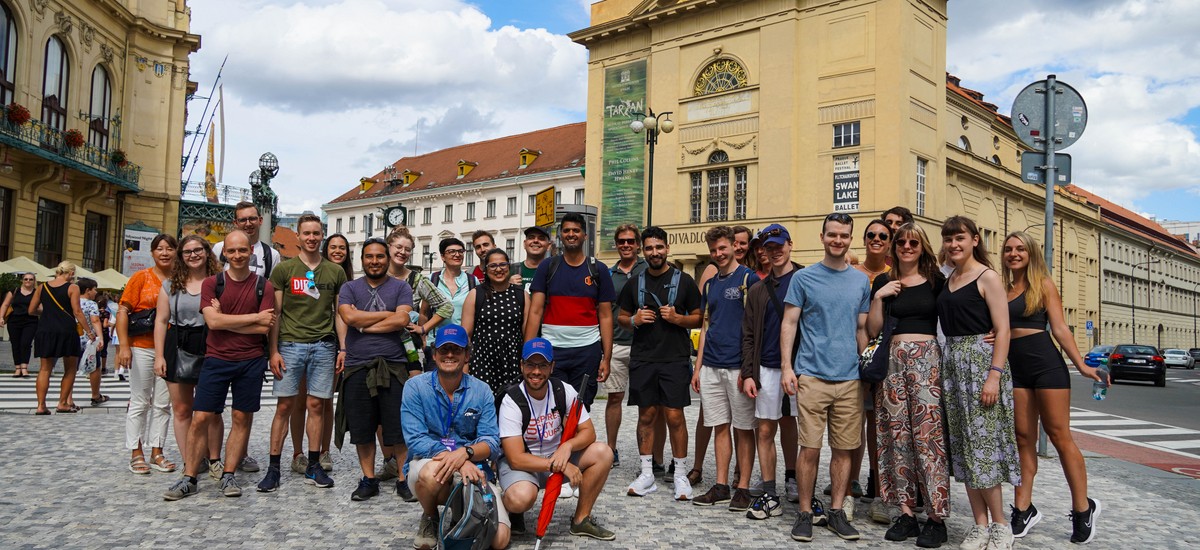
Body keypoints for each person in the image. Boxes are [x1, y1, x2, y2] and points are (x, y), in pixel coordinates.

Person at [1001, 231, 1102, 544]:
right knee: (1022, 438)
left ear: (1031, 253)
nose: (1014, 254)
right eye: (1008, 249)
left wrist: (1082, 365)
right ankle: (1023, 508)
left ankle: (1083, 508)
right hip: (1014, 369)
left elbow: (1059, 328)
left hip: (1047, 366)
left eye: (1020, 249)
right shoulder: (1000, 288)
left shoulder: (1042, 284)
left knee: (1059, 436)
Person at [163, 230, 277, 500]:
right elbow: (213, 323)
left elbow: (266, 326)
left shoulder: (264, 285)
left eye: (242, 250)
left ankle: (228, 474)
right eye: (232, 251)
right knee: (201, 417)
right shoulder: (212, 283)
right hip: (216, 358)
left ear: (251, 251)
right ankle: (189, 476)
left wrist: (228, 318)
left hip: (250, 360)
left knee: (241, 417)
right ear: (224, 253)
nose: (237, 255)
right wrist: (251, 319)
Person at [779, 212, 870, 543]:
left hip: (849, 378)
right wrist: (788, 368)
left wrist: (867, 365)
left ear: (850, 239)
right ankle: (804, 512)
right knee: (810, 448)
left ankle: (836, 512)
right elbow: (789, 323)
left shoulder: (860, 281)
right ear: (822, 237)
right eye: (832, 234)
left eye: (844, 236)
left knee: (844, 450)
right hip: (812, 375)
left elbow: (861, 328)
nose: (838, 240)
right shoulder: (804, 279)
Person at [936, 216, 1018, 550]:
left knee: (984, 447)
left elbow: (1003, 329)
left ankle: (1000, 525)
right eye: (948, 239)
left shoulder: (988, 277)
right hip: (953, 364)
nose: (954, 244)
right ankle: (979, 524)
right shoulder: (950, 278)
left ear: (974, 239)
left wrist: (994, 376)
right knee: (965, 448)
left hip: (981, 365)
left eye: (959, 238)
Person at [867, 223, 950, 547]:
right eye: (900, 241)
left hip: (927, 360)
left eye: (913, 241)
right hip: (892, 361)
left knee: (929, 439)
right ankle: (904, 512)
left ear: (922, 245)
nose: (906, 246)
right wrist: (878, 297)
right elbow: (874, 330)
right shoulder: (885, 281)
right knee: (895, 436)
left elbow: (954, 315)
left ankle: (936, 516)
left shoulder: (936, 281)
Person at [259, 214, 346, 493]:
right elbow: (276, 313)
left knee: (316, 406)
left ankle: (313, 464)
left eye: (316, 233)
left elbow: (339, 314)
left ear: (322, 235)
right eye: (306, 233)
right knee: (284, 406)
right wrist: (273, 351)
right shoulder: (284, 271)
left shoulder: (335, 272)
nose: (311, 238)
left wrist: (342, 347)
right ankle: (274, 468)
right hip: (291, 344)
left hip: (323, 345)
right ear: (298, 236)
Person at [401, 324, 509, 550]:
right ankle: (430, 517)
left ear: (467, 355)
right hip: (431, 466)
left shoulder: (482, 390)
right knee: (431, 474)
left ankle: (461, 515)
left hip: (474, 471)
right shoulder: (415, 387)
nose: (449, 355)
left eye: (456, 350)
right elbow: (416, 439)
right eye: (444, 349)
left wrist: (466, 453)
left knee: (499, 542)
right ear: (434, 354)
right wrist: (459, 463)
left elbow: (491, 440)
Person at [498, 337, 616, 541]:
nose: (536, 372)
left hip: (558, 456)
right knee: (520, 499)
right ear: (521, 365)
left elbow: (589, 432)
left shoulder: (563, 389)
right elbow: (516, 458)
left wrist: (568, 446)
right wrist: (558, 466)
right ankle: (511, 509)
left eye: (542, 365)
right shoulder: (512, 400)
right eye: (530, 365)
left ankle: (581, 519)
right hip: (526, 464)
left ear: (552, 367)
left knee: (603, 452)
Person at [616, 225, 703, 501]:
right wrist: (634, 321)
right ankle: (646, 474)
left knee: (675, 416)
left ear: (667, 248)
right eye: (650, 248)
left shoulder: (685, 281)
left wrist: (679, 319)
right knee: (646, 416)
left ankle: (679, 474)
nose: (655, 252)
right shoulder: (635, 282)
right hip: (643, 358)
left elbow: (699, 318)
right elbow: (621, 316)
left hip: (674, 358)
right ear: (644, 250)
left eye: (659, 247)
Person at [335, 237, 415, 501]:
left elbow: (402, 319)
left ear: (387, 258)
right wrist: (387, 315)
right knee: (362, 428)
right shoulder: (349, 287)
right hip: (358, 365)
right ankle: (368, 479)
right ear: (362, 260)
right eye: (369, 256)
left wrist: (363, 324)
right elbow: (348, 317)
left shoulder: (401, 287)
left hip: (393, 364)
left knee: (398, 427)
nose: (375, 261)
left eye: (380, 256)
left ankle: (404, 479)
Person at [740, 224, 806, 519]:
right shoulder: (757, 289)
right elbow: (749, 334)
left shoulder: (806, 278)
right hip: (766, 366)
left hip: (799, 367)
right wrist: (748, 372)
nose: (776, 251)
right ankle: (769, 488)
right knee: (765, 428)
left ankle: (792, 477)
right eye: (770, 247)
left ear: (790, 245)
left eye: (780, 245)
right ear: (763, 252)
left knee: (792, 425)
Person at [691, 226, 759, 511]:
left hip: (737, 367)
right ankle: (720, 485)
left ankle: (742, 486)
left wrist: (749, 369)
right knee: (720, 426)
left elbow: (756, 326)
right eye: (714, 250)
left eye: (723, 248)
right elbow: (706, 325)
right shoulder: (710, 284)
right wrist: (698, 367)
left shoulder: (749, 278)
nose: (718, 254)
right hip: (712, 365)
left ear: (734, 246)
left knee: (744, 429)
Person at [211, 202, 279, 476]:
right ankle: (213, 454)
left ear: (260, 220)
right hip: (221, 333)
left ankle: (241, 452)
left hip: (254, 335)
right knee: (212, 404)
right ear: (235, 222)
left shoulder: (270, 254)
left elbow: (271, 294)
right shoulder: (217, 249)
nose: (249, 223)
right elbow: (213, 284)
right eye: (243, 219)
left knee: (244, 406)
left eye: (253, 219)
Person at [383, 227, 451, 495]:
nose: (402, 252)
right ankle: (389, 461)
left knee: (410, 403)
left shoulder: (416, 280)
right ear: (389, 246)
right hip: (376, 345)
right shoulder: (376, 275)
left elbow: (444, 306)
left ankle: (409, 463)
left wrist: (424, 328)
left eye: (406, 249)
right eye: (398, 247)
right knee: (381, 406)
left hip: (407, 348)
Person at [525, 212, 616, 409]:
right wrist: (527, 353)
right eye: (566, 230)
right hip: (552, 350)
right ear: (560, 235)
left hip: (587, 350)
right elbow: (535, 312)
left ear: (585, 235)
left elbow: (606, 316)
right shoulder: (547, 267)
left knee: (580, 408)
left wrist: (606, 358)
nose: (571, 234)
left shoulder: (598, 269)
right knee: (552, 406)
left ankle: (578, 441)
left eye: (576, 230)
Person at [153, 235, 223, 478]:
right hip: (178, 343)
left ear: (206, 252)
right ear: (181, 257)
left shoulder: (218, 283)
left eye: (198, 250)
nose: (193, 255)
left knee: (212, 410)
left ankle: (214, 459)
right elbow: (161, 321)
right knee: (182, 409)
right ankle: (189, 460)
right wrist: (159, 356)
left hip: (211, 342)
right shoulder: (171, 285)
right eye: (187, 252)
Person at [118, 235, 177, 474]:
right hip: (142, 345)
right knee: (140, 401)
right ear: (152, 253)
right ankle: (135, 451)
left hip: (170, 347)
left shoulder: (179, 279)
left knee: (163, 403)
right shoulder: (141, 277)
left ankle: (157, 450)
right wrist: (123, 346)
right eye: (159, 249)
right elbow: (123, 310)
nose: (164, 253)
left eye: (169, 248)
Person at [849, 219, 893, 523]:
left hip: (887, 359)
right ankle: (850, 484)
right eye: (871, 235)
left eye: (883, 236)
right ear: (863, 240)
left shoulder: (897, 275)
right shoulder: (852, 274)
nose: (876, 239)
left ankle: (878, 487)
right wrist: (863, 358)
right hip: (853, 358)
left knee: (879, 428)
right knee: (853, 427)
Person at [603, 224, 646, 469]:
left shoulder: (648, 269)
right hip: (617, 343)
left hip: (644, 345)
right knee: (614, 397)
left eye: (630, 241)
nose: (626, 245)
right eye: (622, 241)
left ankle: (646, 453)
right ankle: (611, 448)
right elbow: (605, 311)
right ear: (617, 245)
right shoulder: (610, 275)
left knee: (646, 403)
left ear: (638, 244)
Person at [461, 248, 528, 401]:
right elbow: (466, 336)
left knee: (511, 408)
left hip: (512, 363)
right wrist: (464, 367)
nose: (498, 269)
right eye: (493, 266)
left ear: (509, 267)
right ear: (485, 269)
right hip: (482, 362)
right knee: (482, 408)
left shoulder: (521, 295)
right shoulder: (475, 294)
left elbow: (526, 335)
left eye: (503, 264)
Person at [29, 262, 91, 415]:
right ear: (70, 273)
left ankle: (41, 406)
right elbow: (77, 311)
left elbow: (31, 310)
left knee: (44, 369)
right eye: (73, 274)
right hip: (66, 330)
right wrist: (89, 331)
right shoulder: (72, 288)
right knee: (70, 369)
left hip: (45, 330)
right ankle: (62, 403)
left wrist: (49, 312)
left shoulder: (42, 287)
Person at [319, 232, 353, 465]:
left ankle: (324, 450)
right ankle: (303, 452)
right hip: (316, 337)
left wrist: (344, 347)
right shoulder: (315, 273)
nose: (338, 251)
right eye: (333, 247)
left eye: (342, 248)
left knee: (325, 399)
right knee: (310, 402)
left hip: (338, 342)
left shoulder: (348, 280)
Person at [426, 237, 479, 344]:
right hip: (436, 342)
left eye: (460, 251)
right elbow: (424, 312)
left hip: (463, 342)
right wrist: (423, 340)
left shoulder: (472, 281)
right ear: (442, 257)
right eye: (451, 251)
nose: (457, 254)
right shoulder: (432, 279)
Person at [1, 272, 39, 378]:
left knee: (26, 343)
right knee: (15, 344)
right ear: (22, 280)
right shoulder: (14, 291)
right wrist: (1, 317)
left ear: (34, 281)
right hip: (14, 321)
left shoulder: (37, 293)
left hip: (31, 321)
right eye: (26, 279)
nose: (28, 281)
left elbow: (41, 307)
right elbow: (5, 304)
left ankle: (24, 368)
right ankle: (17, 368)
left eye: (31, 279)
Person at [76, 278, 107, 406]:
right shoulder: (91, 304)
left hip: (73, 338)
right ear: (88, 290)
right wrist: (100, 337)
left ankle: (67, 398)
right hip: (89, 340)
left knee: (71, 368)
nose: (96, 292)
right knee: (95, 366)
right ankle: (95, 395)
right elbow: (95, 321)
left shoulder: (73, 302)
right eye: (94, 289)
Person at [513, 225, 551, 292]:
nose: (536, 240)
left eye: (541, 238)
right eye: (531, 237)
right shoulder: (511, 270)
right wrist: (508, 287)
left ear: (549, 246)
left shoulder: (554, 272)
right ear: (524, 244)